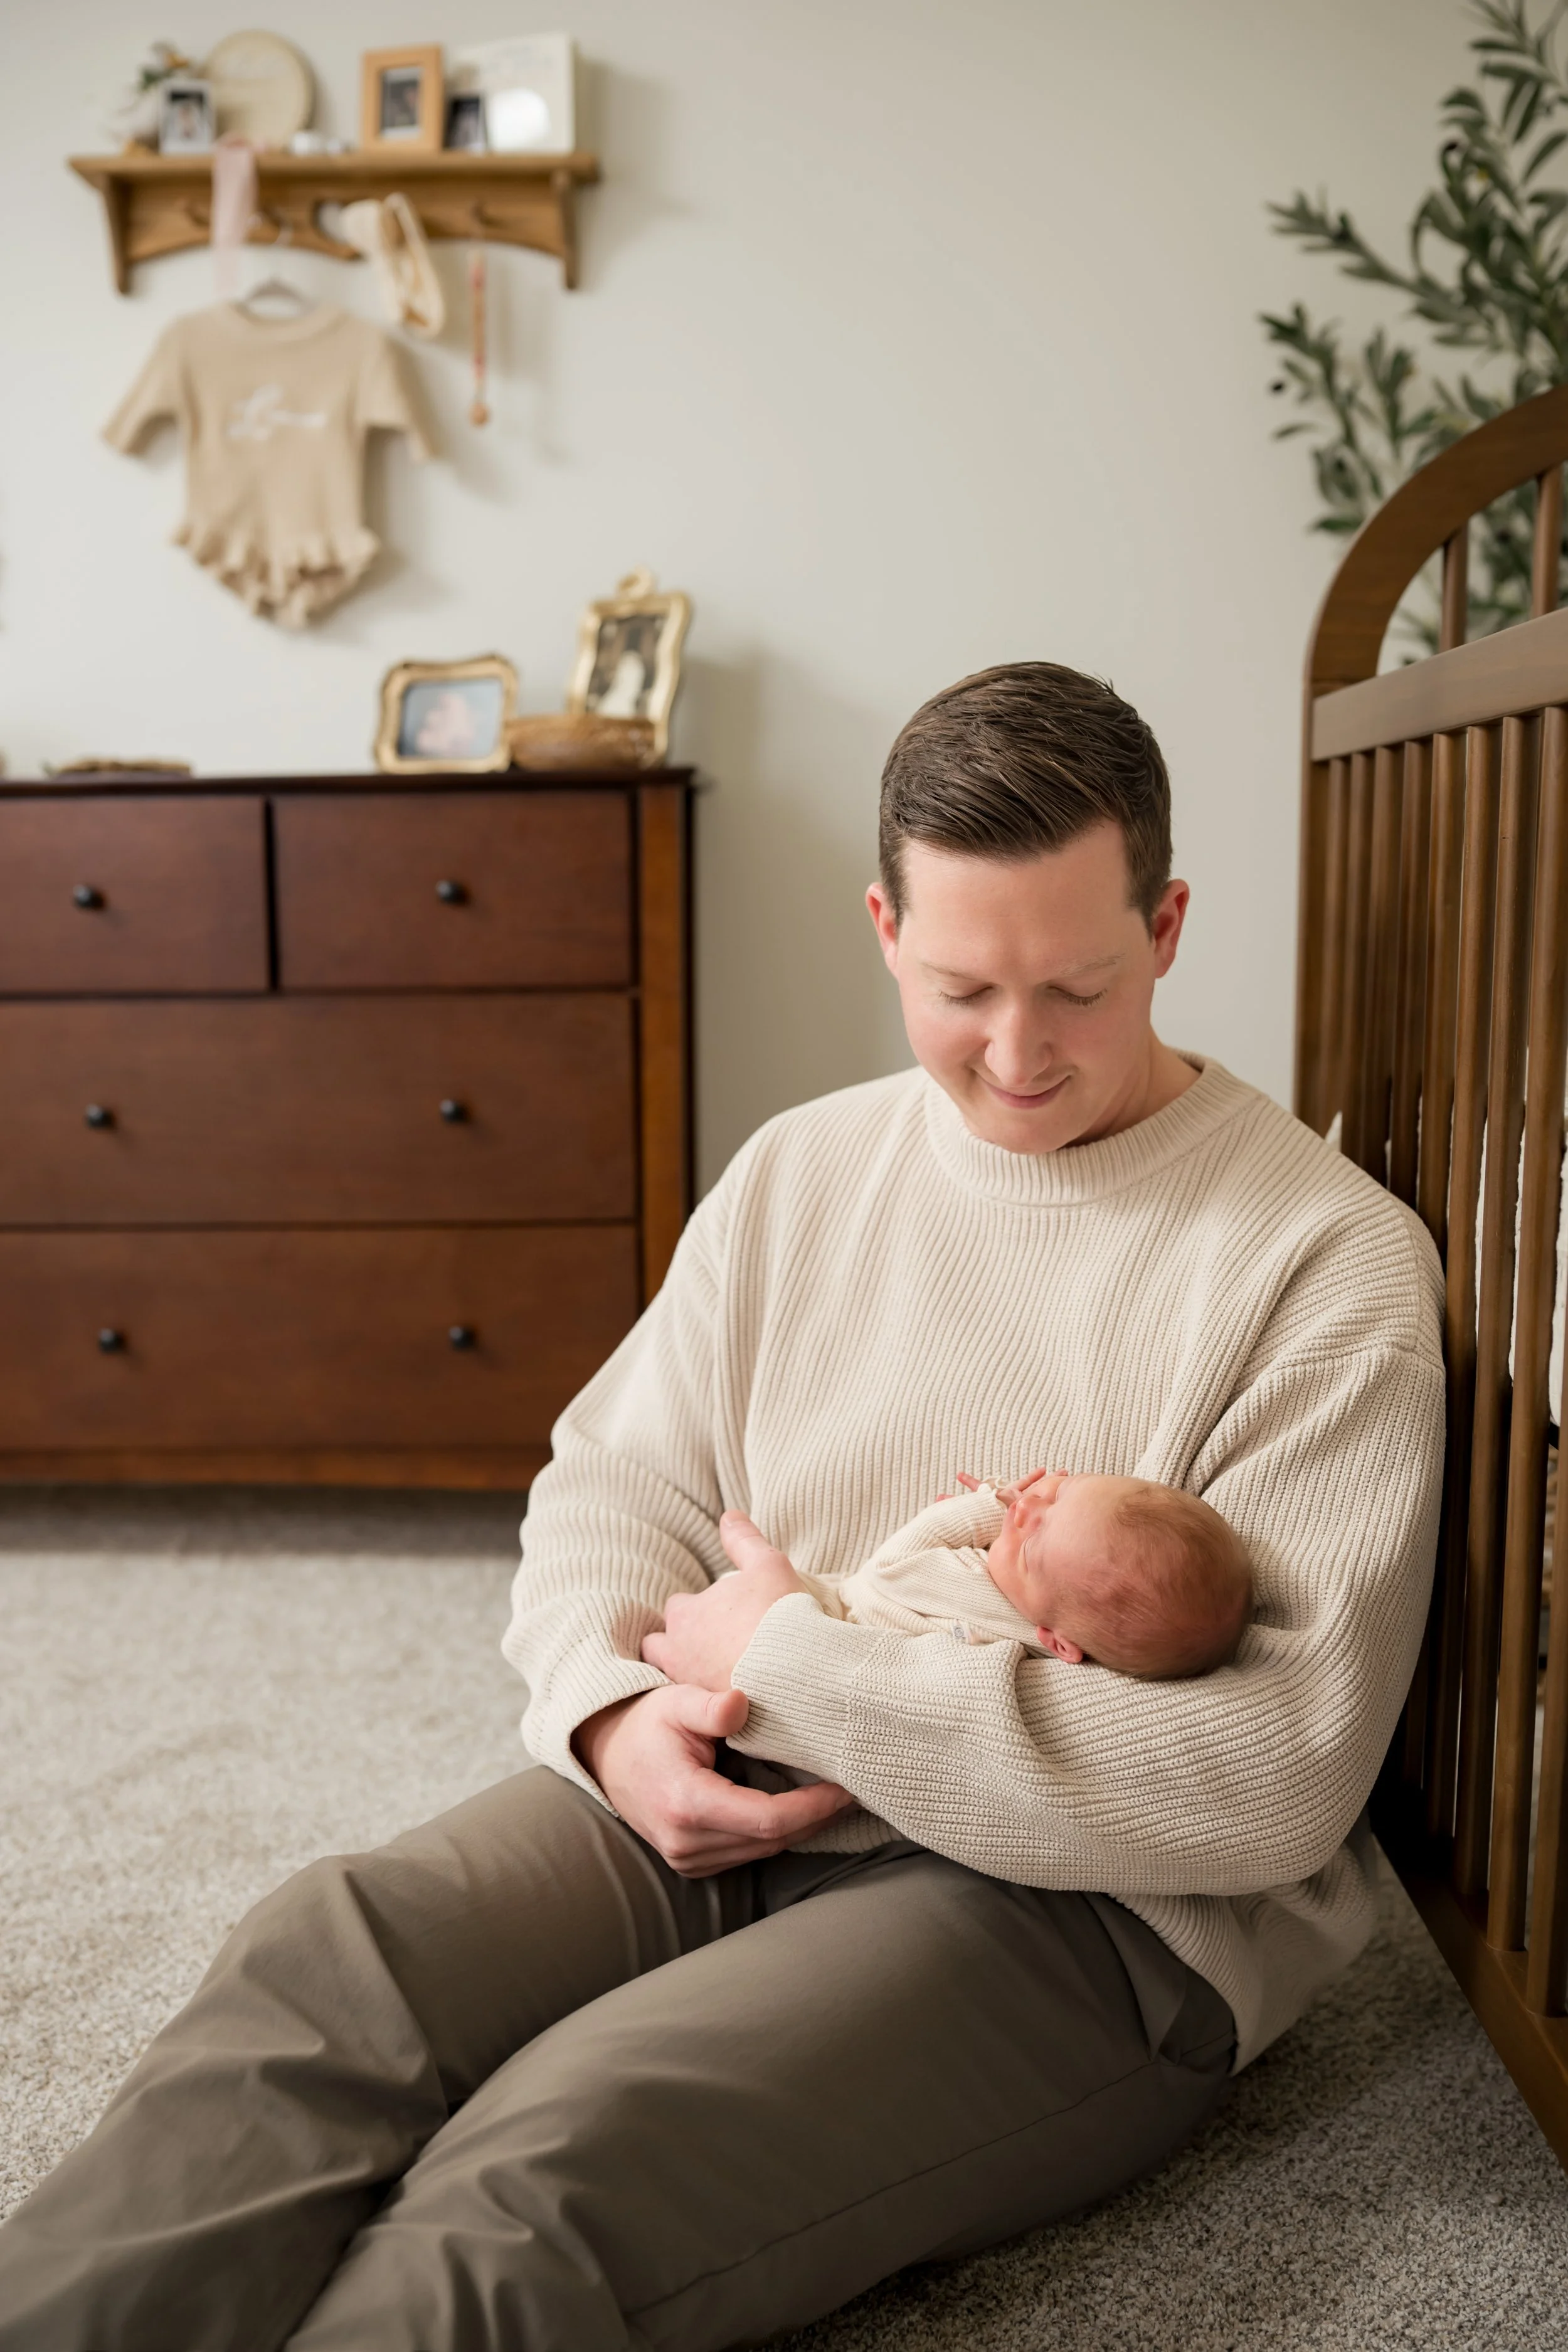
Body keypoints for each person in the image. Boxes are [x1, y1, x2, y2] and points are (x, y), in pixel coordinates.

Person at [0, 663, 1445, 2352]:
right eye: (958, 984)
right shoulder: (802, 1170)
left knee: (551, 2163)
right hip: (738, 1766)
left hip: (1086, 1910)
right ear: (882, 926)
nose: (1017, 1050)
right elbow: (613, 1478)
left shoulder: (1322, 1258)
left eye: (1079, 983)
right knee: (326, 1963)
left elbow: (1269, 1783)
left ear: (1170, 922)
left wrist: (811, 1665)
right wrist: (617, 1715)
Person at [712, 1466, 1254, 1680]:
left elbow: (888, 1570)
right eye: (1060, 1492)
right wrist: (1018, 1542)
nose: (1025, 1507)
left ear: (1060, 1642)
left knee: (743, 1570)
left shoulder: (971, 1589)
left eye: (1028, 1544)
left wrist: (976, 1511)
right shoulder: (1061, 1643)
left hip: (821, 1619)